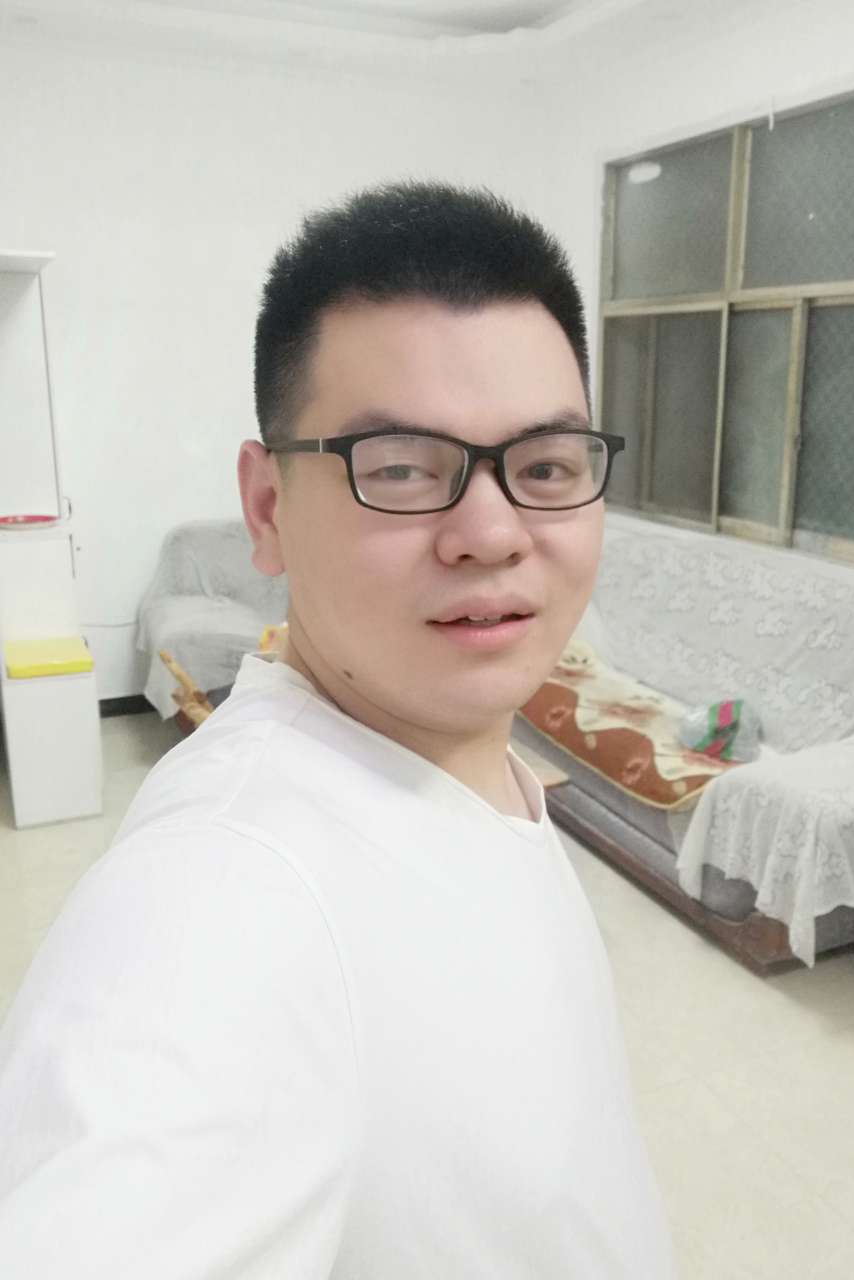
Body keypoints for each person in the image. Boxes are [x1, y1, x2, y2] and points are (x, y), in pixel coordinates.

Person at [0, 182, 672, 1277]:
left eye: (546, 467)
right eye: (400, 467)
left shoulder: (469, 763)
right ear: (267, 507)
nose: (493, 532)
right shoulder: (223, 895)